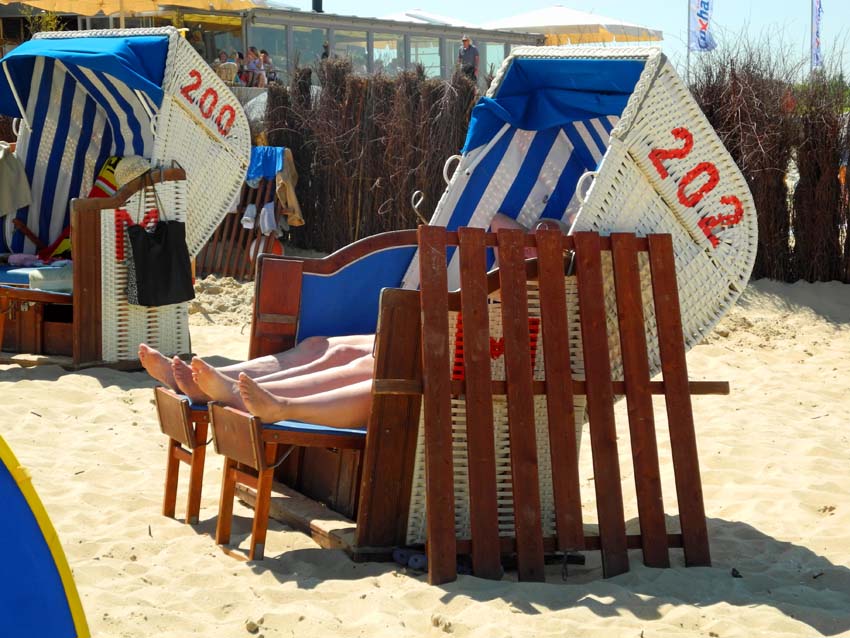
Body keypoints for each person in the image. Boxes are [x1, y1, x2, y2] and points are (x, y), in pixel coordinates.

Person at [139, 214, 564, 429]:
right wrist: (536, 235)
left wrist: (547, 249)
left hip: (469, 362)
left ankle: (266, 401)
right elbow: (497, 222)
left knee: (374, 367)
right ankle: (222, 379)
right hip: (447, 337)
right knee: (324, 345)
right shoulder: (531, 259)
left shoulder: (561, 289)